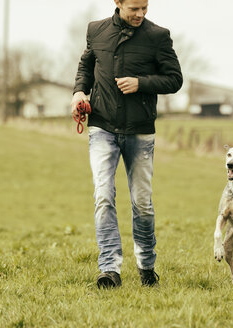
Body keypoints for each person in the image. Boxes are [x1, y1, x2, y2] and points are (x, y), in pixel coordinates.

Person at [71, 0, 183, 288]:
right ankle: (110, 270)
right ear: (118, 3)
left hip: (140, 130)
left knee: (142, 203)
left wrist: (141, 83)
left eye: (144, 7)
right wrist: (79, 92)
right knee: (103, 196)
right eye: (134, 8)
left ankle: (146, 267)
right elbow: (87, 65)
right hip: (102, 127)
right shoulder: (96, 31)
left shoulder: (158, 36)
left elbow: (174, 79)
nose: (141, 14)